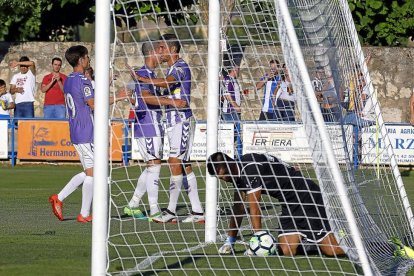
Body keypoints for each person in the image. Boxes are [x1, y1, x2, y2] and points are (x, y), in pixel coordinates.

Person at [207, 151, 345, 257]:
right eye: (220, 178)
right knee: (287, 249)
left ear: (229, 164)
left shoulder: (250, 169)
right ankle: (312, 241)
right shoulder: (238, 171)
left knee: (331, 250)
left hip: (306, 196)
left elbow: (255, 210)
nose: (224, 180)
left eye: (224, 175)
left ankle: (348, 236)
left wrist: (257, 243)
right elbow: (238, 207)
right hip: (288, 202)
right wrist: (230, 241)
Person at [135, 34, 204, 223]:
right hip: (173, 123)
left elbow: (167, 83)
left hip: (182, 120)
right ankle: (198, 212)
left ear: (172, 49)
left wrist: (144, 80)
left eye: (162, 48)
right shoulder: (172, 68)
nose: (160, 51)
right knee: (184, 165)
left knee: (174, 161)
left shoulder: (180, 67)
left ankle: (171, 211)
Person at [122, 41, 187, 220]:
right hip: (148, 125)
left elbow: (131, 93)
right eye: (159, 50)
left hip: (154, 124)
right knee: (155, 166)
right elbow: (146, 98)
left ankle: (134, 204)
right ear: (152, 52)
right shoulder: (143, 73)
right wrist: (172, 102)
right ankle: (154, 209)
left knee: (152, 166)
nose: (162, 53)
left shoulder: (148, 75)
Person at [48, 45, 95, 223]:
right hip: (85, 132)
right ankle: (83, 214)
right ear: (81, 59)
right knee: (93, 173)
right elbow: (93, 104)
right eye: (87, 57)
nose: (89, 59)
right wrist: (119, 97)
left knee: (89, 171)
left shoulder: (67, 80)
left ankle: (59, 198)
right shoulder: (83, 80)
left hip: (76, 131)